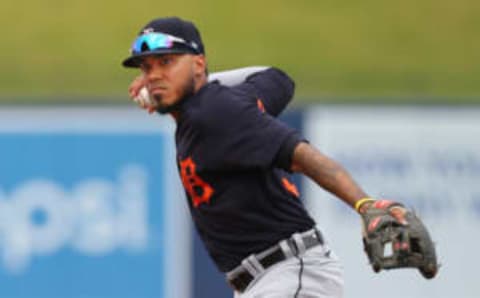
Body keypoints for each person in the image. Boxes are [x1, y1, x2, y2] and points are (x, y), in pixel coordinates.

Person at [122, 17, 408, 298]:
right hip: (271, 278)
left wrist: (363, 203)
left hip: (288, 274)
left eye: (167, 63)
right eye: (147, 68)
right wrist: (195, 83)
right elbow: (276, 78)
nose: (155, 75)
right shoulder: (217, 105)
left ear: (198, 64)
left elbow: (300, 155)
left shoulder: (217, 113)